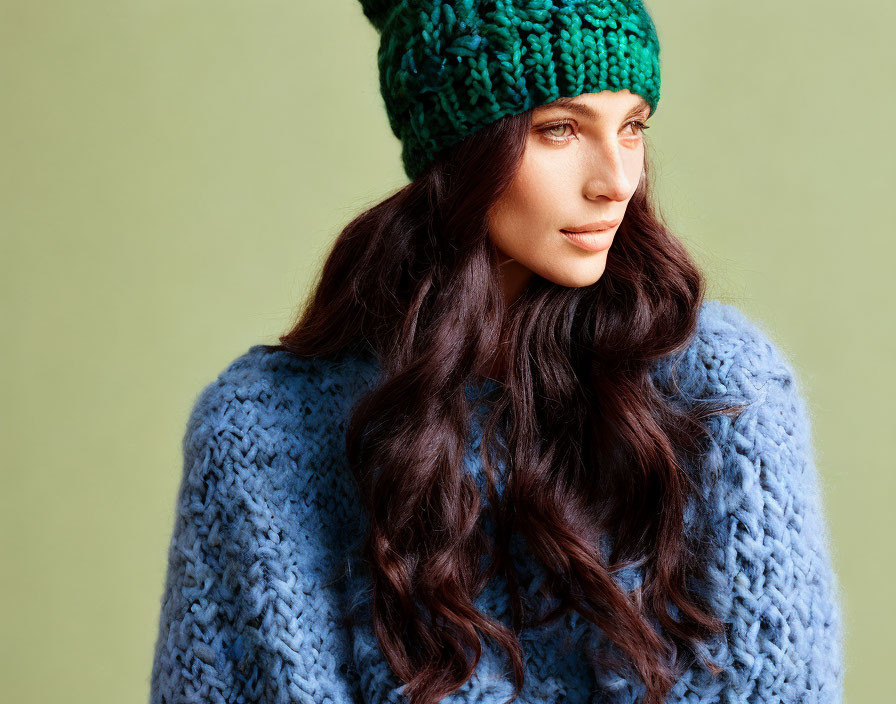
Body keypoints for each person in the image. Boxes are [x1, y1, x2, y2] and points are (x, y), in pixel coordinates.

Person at [148, 2, 845, 703]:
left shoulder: (724, 388)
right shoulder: (264, 429)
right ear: (463, 148)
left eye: (632, 127)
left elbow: (778, 682)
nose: (616, 181)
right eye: (560, 129)